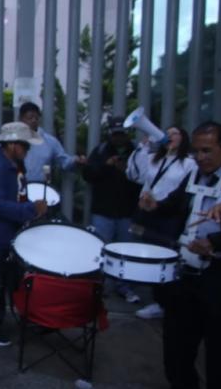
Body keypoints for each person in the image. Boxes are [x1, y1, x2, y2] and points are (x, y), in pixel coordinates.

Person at [155, 121, 221, 389]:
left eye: (207, 151)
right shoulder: (194, 173)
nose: (201, 158)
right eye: (197, 151)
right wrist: (155, 205)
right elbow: (176, 205)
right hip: (187, 277)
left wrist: (218, 241)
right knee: (176, 355)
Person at [0, 121, 48, 346]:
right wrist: (31, 210)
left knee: (9, 280)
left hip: (6, 235)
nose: (28, 150)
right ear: (13, 145)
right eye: (25, 145)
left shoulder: (14, 165)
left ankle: (8, 318)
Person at [126, 125, 196, 319]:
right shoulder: (154, 159)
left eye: (176, 133)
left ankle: (169, 301)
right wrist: (142, 147)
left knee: (167, 257)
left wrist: (160, 204)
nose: (170, 136)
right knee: (152, 257)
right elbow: (134, 174)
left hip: (170, 216)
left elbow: (184, 194)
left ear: (184, 139)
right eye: (168, 133)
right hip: (149, 214)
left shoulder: (189, 163)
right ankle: (158, 301)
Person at [82, 115, 142, 303]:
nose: (118, 138)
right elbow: (88, 174)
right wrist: (106, 167)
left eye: (121, 134)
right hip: (103, 211)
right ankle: (101, 286)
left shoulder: (137, 151)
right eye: (115, 134)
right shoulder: (100, 150)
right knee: (101, 249)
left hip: (128, 211)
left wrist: (127, 171)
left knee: (127, 250)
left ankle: (125, 287)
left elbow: (145, 179)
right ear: (109, 133)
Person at [0, 102, 86, 182]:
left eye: (36, 118)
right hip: (15, 187)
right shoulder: (9, 139)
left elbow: (64, 161)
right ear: (20, 119)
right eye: (30, 118)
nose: (33, 120)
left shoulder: (50, 141)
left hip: (41, 189)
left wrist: (76, 161)